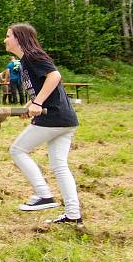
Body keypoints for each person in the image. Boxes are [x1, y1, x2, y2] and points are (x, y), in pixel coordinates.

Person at [5, 23, 83, 226]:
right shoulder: (25, 61)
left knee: (17, 150)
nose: (5, 40)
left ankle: (43, 195)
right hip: (66, 119)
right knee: (59, 165)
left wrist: (38, 103)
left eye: (8, 36)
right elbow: (40, 87)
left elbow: (54, 76)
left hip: (54, 117)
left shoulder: (32, 56)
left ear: (18, 39)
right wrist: (30, 104)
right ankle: (73, 215)